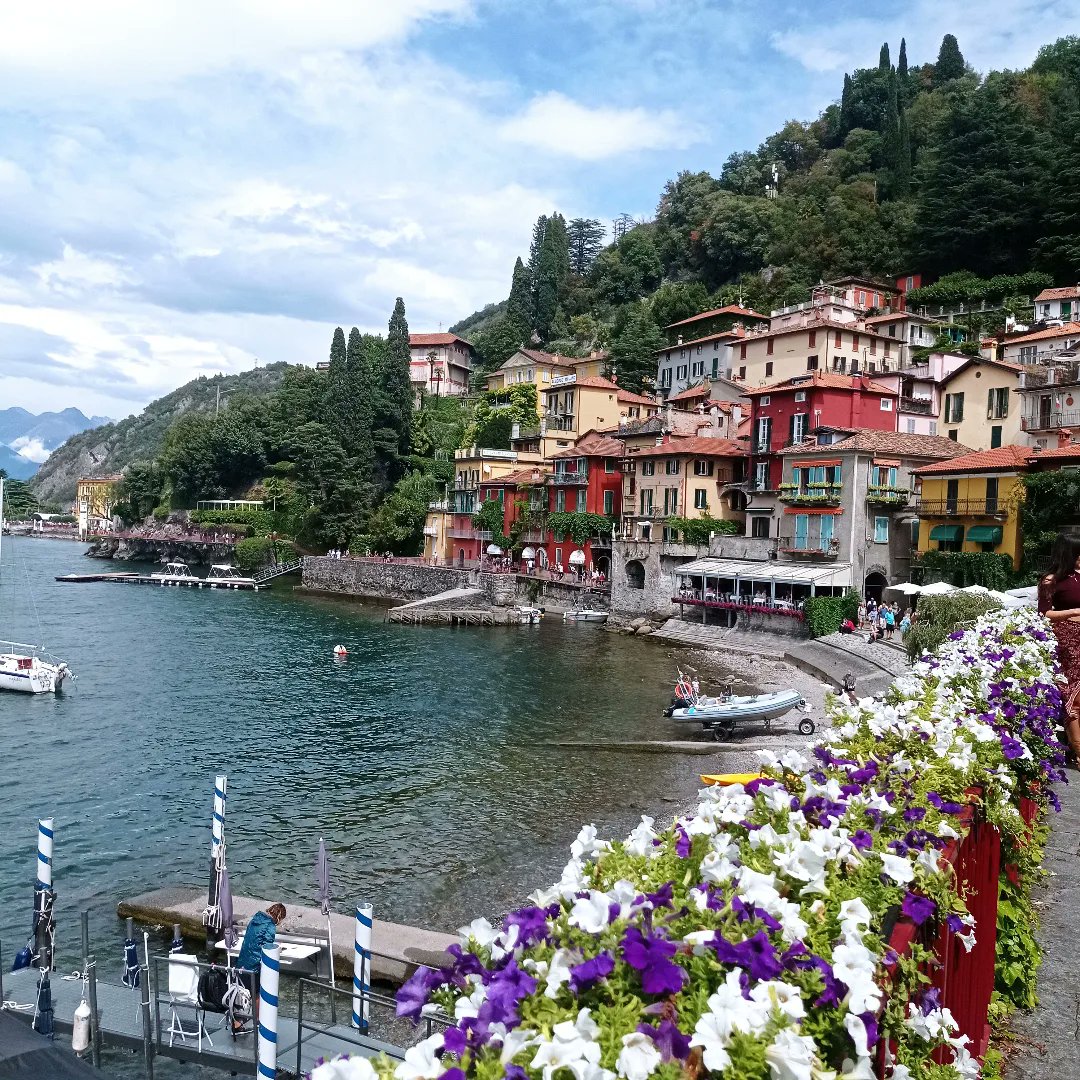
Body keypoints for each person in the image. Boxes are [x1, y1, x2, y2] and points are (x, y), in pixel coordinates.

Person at [1039, 535, 1080, 764]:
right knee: (1074, 695)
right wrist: (1073, 612)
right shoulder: (1051, 580)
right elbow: (1044, 613)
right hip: (1068, 641)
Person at [235, 902, 287, 1030]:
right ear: (279, 917)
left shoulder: (255, 919)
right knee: (257, 993)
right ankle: (258, 1021)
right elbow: (267, 946)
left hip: (243, 961)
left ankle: (236, 1022)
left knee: (242, 992)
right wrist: (278, 950)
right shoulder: (270, 925)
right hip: (255, 964)